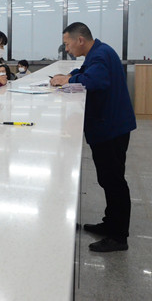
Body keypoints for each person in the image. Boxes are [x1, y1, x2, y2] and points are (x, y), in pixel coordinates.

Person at [50, 23, 136, 252]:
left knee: (113, 180)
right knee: (108, 178)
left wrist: (67, 81)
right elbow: (85, 72)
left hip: (111, 128)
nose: (67, 49)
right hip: (110, 126)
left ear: (80, 40)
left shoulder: (99, 55)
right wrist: (70, 75)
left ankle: (118, 237)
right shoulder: (97, 53)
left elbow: (94, 80)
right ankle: (110, 224)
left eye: (68, 44)